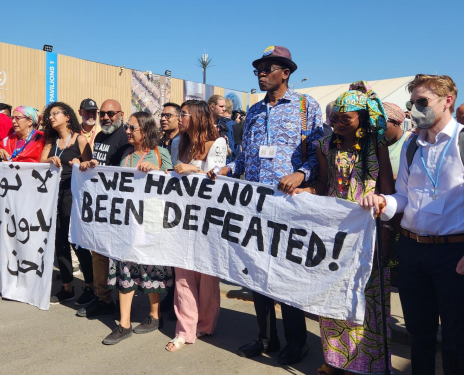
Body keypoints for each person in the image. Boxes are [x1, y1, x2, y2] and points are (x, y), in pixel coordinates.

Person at [208, 45, 323, 365]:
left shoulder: (305, 106)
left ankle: (296, 341)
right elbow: (244, 158)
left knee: (287, 276)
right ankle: (266, 337)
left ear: (285, 72)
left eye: (268, 68)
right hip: (256, 207)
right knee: (256, 274)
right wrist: (225, 171)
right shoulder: (255, 111)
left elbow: (319, 154)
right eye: (257, 68)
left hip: (289, 206)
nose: (260, 73)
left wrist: (301, 174)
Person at [362, 74, 464, 375]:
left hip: (454, 255)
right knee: (419, 335)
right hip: (411, 251)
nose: (414, 109)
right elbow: (403, 198)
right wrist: (383, 202)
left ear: (448, 101)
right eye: (412, 103)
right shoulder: (412, 146)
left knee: (456, 339)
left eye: (423, 102)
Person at [292, 81, 395, 375]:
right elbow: (324, 185)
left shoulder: (377, 145)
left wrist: (385, 231)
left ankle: (366, 365)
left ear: (361, 117)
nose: (337, 123)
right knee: (334, 295)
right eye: (334, 118)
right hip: (336, 234)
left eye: (344, 118)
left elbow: (388, 190)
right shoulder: (325, 146)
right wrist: (309, 192)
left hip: (369, 231)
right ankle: (335, 360)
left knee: (366, 298)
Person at [98, 112, 173, 345]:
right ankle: (124, 324)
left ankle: (154, 316)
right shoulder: (126, 154)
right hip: (127, 222)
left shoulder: (161, 154)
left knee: (151, 269)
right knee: (125, 269)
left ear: (146, 130)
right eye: (128, 127)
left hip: (150, 223)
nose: (128, 131)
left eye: (133, 128)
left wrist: (158, 171)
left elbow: (172, 186)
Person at [165, 99, 227, 352]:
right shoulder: (178, 143)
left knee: (207, 276)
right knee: (183, 275)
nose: (179, 118)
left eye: (184, 114)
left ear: (198, 117)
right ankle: (184, 329)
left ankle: (206, 323)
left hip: (208, 220)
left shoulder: (218, 143)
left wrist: (194, 169)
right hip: (182, 218)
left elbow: (220, 182)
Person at [76, 99, 130, 318]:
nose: (106, 118)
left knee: (119, 257)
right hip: (99, 204)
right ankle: (103, 299)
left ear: (121, 114)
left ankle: (124, 306)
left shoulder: (126, 138)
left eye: (111, 114)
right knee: (97, 254)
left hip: (118, 205)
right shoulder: (98, 136)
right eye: (103, 114)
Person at [39, 102, 96, 306]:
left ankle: (90, 286)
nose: (51, 117)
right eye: (49, 115)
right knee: (59, 240)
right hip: (54, 195)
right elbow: (40, 162)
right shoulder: (50, 142)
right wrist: (49, 161)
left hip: (73, 196)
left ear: (68, 117)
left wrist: (81, 164)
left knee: (77, 241)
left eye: (56, 114)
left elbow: (89, 168)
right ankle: (67, 287)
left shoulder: (79, 139)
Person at [383, 102, 411, 180]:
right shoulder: (377, 144)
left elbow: (418, 179)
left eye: (382, 124)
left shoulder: (410, 141)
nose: (378, 129)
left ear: (395, 123)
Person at [207, 94, 236, 162]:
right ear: (212, 107)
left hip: (220, 166)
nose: (224, 109)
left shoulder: (226, 125)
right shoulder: (202, 125)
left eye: (224, 106)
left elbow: (231, 152)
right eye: (221, 106)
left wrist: (226, 148)